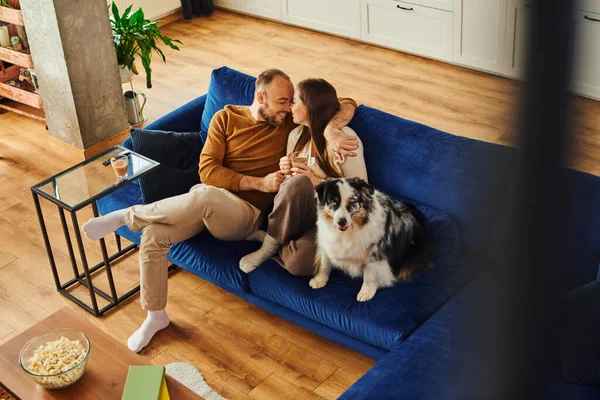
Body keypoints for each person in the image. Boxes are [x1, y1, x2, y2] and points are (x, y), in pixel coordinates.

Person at [80, 69, 358, 352]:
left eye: (291, 102)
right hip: (205, 206)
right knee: (154, 235)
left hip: (244, 217)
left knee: (206, 196)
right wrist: (259, 183)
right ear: (261, 97)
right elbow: (207, 170)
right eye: (282, 102)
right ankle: (155, 315)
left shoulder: (287, 125)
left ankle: (127, 217)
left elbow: (344, 103)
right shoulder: (225, 118)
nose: (288, 109)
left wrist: (330, 129)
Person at [239, 78, 368, 276]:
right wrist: (286, 170)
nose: (289, 107)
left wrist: (317, 182)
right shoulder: (296, 135)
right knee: (298, 182)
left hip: (333, 221)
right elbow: (291, 187)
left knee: (299, 264)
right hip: (303, 213)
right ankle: (268, 247)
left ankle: (277, 239)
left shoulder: (343, 139)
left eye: (294, 102)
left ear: (310, 107)